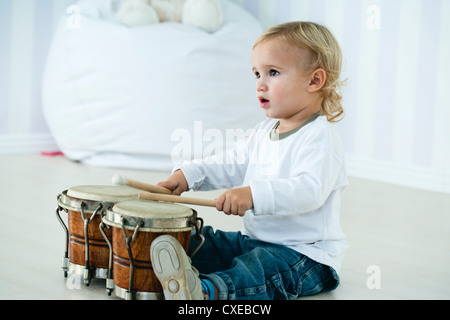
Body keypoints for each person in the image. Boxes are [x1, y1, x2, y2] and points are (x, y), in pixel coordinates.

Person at [150, 21, 348, 300]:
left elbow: (309, 191)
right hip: (255, 241)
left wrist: (254, 195)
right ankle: (155, 261)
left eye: (273, 72)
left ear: (314, 81)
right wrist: (188, 175)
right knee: (204, 240)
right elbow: (230, 162)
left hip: (304, 256)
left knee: (259, 269)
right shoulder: (265, 132)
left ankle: (206, 291)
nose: (260, 84)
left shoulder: (320, 138)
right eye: (256, 73)